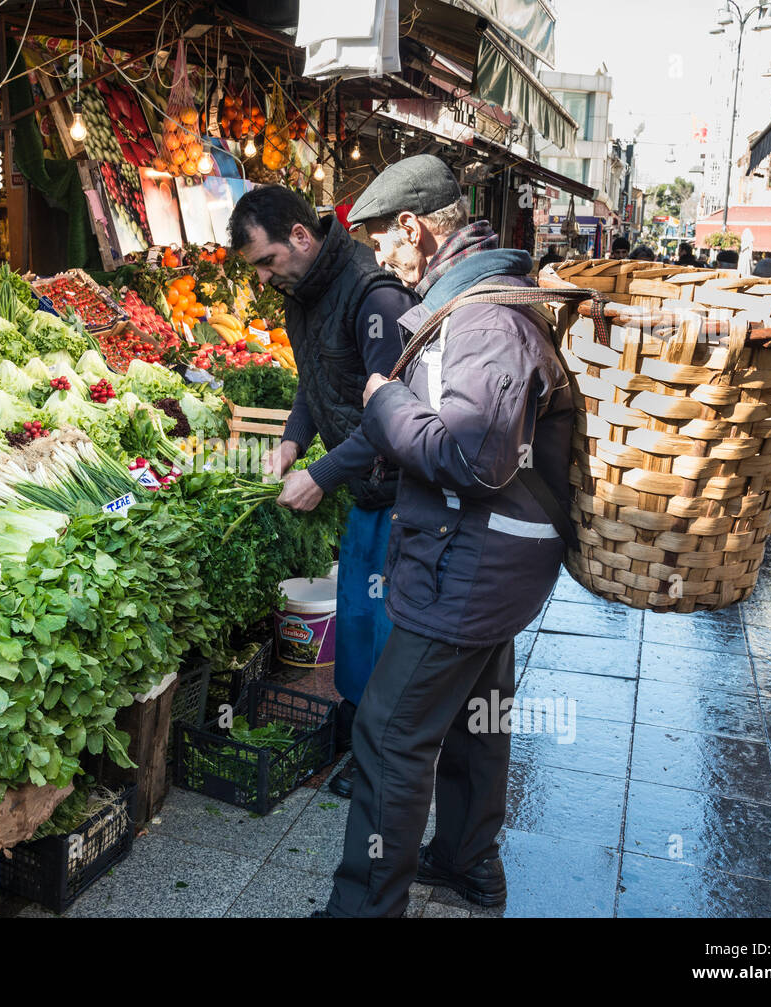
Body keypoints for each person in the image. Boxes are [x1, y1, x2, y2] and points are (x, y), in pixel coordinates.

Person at [315, 155, 573, 916]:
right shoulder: (477, 301)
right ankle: (467, 865)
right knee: (474, 720)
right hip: (492, 561)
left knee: (389, 736)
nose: (381, 261)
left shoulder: (485, 319)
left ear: (415, 229)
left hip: (469, 567)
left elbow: (472, 454)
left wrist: (383, 401)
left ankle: (363, 908)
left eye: (383, 243)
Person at [227, 185, 417, 799]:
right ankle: (360, 732)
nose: (263, 276)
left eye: (266, 260)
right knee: (358, 623)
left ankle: (384, 761)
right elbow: (313, 383)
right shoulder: (303, 297)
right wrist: (290, 443)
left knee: (388, 630)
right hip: (363, 494)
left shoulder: (374, 297)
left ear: (301, 237)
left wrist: (322, 475)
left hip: (400, 499)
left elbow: (394, 416)